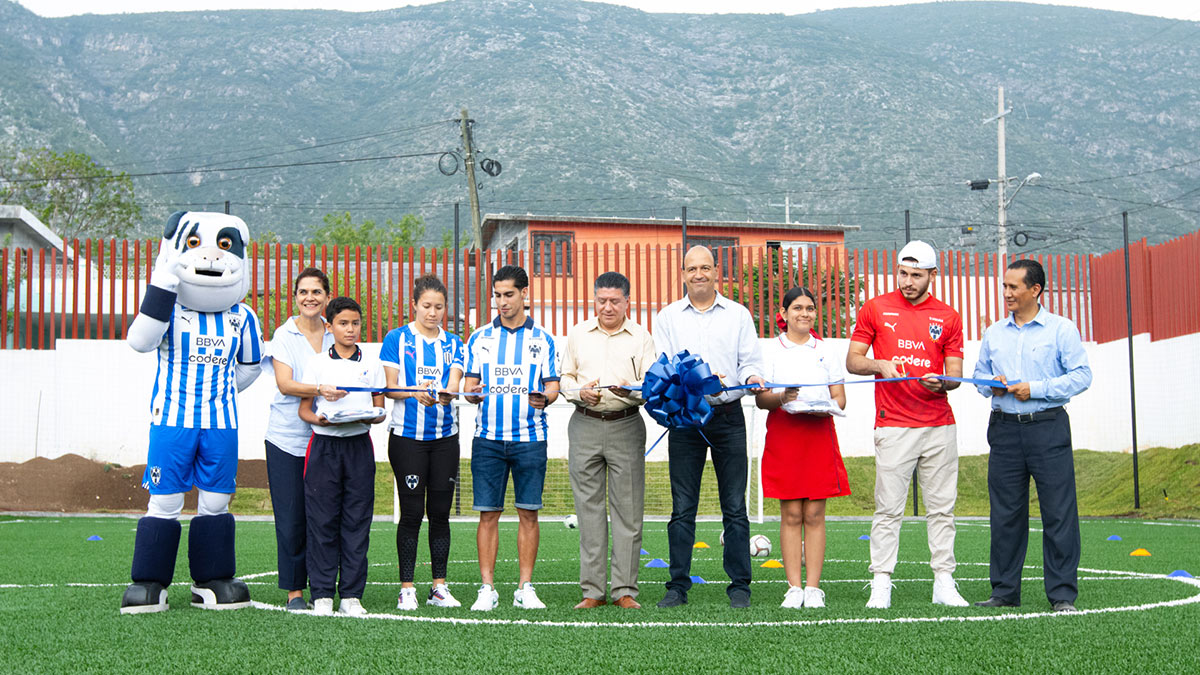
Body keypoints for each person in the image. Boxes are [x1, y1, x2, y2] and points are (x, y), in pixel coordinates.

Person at [121, 211, 263, 615]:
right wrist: (163, 281)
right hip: (172, 422)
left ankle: (211, 580)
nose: (213, 257)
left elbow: (251, 366)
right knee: (165, 501)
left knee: (216, 501)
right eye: (195, 244)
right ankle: (150, 582)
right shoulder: (165, 308)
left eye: (224, 247)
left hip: (221, 424)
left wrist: (219, 391)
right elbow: (140, 341)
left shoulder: (243, 316)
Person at [846, 239, 970, 609]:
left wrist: (943, 382)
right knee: (888, 508)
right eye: (903, 273)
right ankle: (881, 582)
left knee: (942, 508)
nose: (908, 281)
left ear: (933, 275)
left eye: (916, 275)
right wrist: (879, 366)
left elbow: (956, 375)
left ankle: (944, 583)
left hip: (938, 424)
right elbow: (853, 360)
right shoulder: (875, 308)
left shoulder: (949, 317)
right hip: (893, 424)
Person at [972, 259, 1092, 613]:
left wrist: (1035, 388)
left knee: (1058, 512)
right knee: (1005, 515)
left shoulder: (1061, 329)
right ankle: (1005, 591)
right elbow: (980, 376)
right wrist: (991, 386)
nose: (1006, 293)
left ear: (1035, 290)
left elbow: (1082, 375)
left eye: (1013, 287)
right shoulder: (994, 333)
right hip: (1004, 431)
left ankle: (1062, 595)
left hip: (1048, 427)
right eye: (1005, 286)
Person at [652, 245, 766, 609]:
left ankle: (739, 588)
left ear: (716, 271)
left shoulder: (738, 315)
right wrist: (699, 383)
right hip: (686, 419)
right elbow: (665, 368)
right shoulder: (668, 317)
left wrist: (752, 378)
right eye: (691, 268)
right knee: (682, 506)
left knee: (735, 506)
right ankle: (678, 586)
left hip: (729, 416)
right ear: (682, 274)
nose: (698, 274)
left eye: (705, 267)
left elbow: (749, 362)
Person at [462, 265, 560, 611]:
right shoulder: (479, 338)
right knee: (488, 514)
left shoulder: (543, 340)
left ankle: (525, 587)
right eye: (497, 295)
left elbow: (553, 386)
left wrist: (545, 398)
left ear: (524, 294)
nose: (502, 302)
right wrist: (472, 393)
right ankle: (486, 588)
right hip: (487, 438)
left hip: (530, 439)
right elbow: (469, 386)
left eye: (508, 295)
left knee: (528, 513)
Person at [559, 271, 658, 610]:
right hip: (584, 424)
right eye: (602, 300)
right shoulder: (578, 334)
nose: (608, 306)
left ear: (628, 302)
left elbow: (652, 384)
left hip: (626, 425)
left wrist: (629, 391)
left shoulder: (641, 338)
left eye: (615, 300)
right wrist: (579, 392)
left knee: (627, 512)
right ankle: (592, 591)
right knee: (588, 510)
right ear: (595, 299)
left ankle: (625, 590)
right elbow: (565, 377)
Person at [755, 286, 849, 609]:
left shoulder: (825, 350)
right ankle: (794, 587)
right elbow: (761, 398)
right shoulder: (770, 351)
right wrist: (783, 397)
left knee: (815, 512)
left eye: (809, 308)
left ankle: (813, 588)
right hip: (785, 433)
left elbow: (840, 397)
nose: (804, 313)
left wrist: (826, 405)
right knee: (792, 512)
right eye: (797, 308)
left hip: (818, 433)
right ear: (783, 314)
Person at [380, 274, 465, 611]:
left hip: (446, 439)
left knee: (440, 513)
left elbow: (455, 384)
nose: (433, 312)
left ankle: (439, 587)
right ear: (414, 305)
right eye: (426, 306)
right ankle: (407, 587)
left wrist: (447, 395)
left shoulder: (455, 343)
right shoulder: (396, 339)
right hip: (407, 439)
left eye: (439, 307)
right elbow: (389, 389)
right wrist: (414, 393)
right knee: (412, 512)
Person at [298, 297, 387, 617]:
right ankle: (321, 593)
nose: (350, 330)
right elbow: (305, 410)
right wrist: (321, 419)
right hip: (324, 449)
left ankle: (351, 594)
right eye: (343, 323)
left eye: (355, 323)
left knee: (356, 522)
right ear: (330, 326)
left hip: (358, 447)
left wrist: (370, 417)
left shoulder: (371, 363)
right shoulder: (317, 363)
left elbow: (379, 409)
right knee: (322, 522)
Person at [263, 267, 338, 612]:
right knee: (292, 517)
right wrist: (321, 389)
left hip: (327, 438)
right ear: (296, 297)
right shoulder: (284, 335)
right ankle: (294, 590)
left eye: (316, 292)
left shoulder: (335, 332)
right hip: (286, 440)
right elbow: (286, 384)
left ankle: (322, 587)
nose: (310, 297)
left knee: (322, 517)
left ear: (326, 297)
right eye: (303, 291)